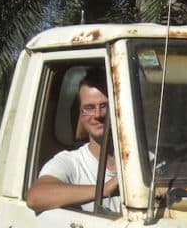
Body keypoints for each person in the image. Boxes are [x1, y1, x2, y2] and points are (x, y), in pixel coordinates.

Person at [27, 70, 121, 214]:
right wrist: (105, 189)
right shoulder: (72, 162)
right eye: (89, 108)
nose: (98, 114)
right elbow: (36, 197)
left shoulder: (145, 161)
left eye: (104, 106)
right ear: (80, 115)